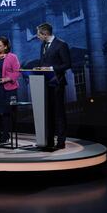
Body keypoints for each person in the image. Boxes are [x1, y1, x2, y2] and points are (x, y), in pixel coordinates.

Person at [36, 22, 71, 150]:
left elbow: (67, 64)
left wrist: (50, 68)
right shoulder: (43, 45)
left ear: (45, 34)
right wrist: (40, 68)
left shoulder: (61, 44)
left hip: (57, 83)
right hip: (45, 84)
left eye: (38, 34)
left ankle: (61, 141)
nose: (37, 37)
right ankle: (49, 141)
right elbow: (43, 62)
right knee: (48, 113)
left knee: (58, 113)